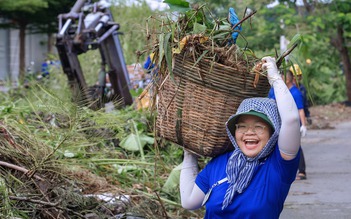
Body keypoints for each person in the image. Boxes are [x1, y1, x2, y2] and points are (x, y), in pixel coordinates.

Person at [180, 56, 301, 218]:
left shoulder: (278, 166)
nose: (249, 132)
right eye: (242, 126)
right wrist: (188, 153)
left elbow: (291, 119)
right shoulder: (220, 162)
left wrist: (274, 77)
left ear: (272, 134)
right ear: (234, 132)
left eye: (258, 127)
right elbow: (189, 201)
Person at [268, 69, 308, 180]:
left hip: (292, 125)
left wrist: (303, 125)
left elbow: (300, 109)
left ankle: (302, 171)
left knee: (295, 147)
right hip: (279, 123)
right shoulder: (279, 92)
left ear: (287, 79)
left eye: (282, 77)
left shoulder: (295, 93)